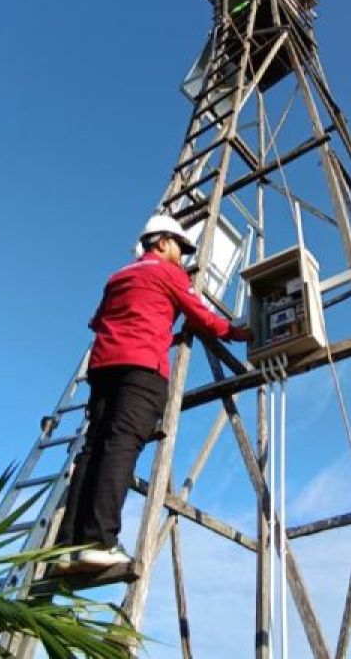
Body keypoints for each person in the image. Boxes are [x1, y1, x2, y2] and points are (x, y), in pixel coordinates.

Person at [57, 213, 251, 570]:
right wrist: (242, 332)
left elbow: (97, 321)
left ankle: (65, 546)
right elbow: (203, 319)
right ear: (162, 242)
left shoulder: (119, 276)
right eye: (179, 246)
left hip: (102, 369)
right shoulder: (168, 273)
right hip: (141, 368)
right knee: (121, 445)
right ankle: (99, 540)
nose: (183, 255)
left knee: (93, 448)